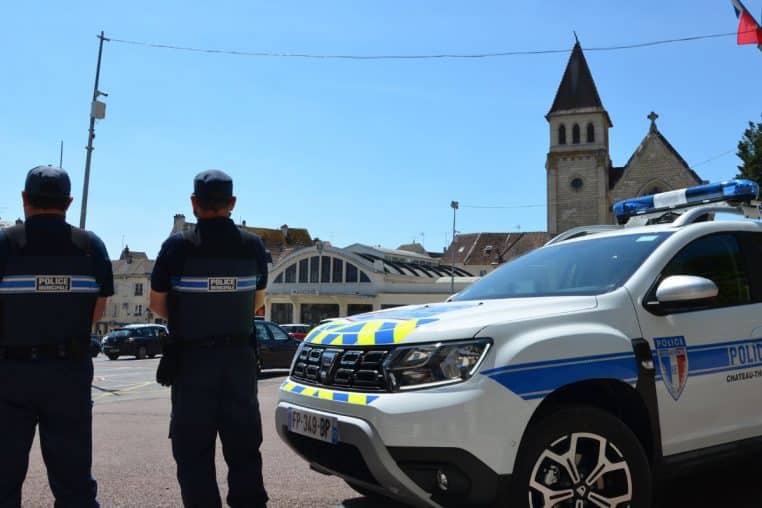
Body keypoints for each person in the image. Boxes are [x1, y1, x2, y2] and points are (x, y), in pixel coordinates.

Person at [150, 170, 269, 508]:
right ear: (232, 203)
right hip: (239, 362)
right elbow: (256, 301)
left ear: (193, 203)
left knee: (193, 456)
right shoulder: (253, 244)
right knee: (245, 451)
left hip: (192, 363)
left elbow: (158, 305)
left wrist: (192, 315)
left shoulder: (178, 246)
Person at [0, 166, 113, 508]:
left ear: (24, 199)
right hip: (69, 373)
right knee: (74, 481)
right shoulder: (90, 246)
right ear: (68, 201)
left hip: (10, 374)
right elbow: (98, 310)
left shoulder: (6, 244)